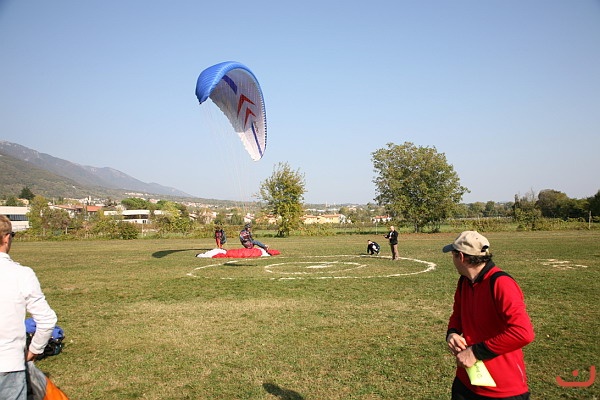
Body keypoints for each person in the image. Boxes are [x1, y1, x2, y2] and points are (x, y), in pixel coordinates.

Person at [443, 231, 535, 400]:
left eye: (453, 255)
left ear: (461, 257)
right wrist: (452, 333)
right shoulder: (464, 281)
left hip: (502, 389)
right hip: (466, 383)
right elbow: (458, 314)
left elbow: (523, 333)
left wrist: (475, 352)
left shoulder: (501, 283)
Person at [0, 215, 58, 400]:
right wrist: (34, 350)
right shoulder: (21, 274)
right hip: (8, 364)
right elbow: (47, 320)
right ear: (6, 238)